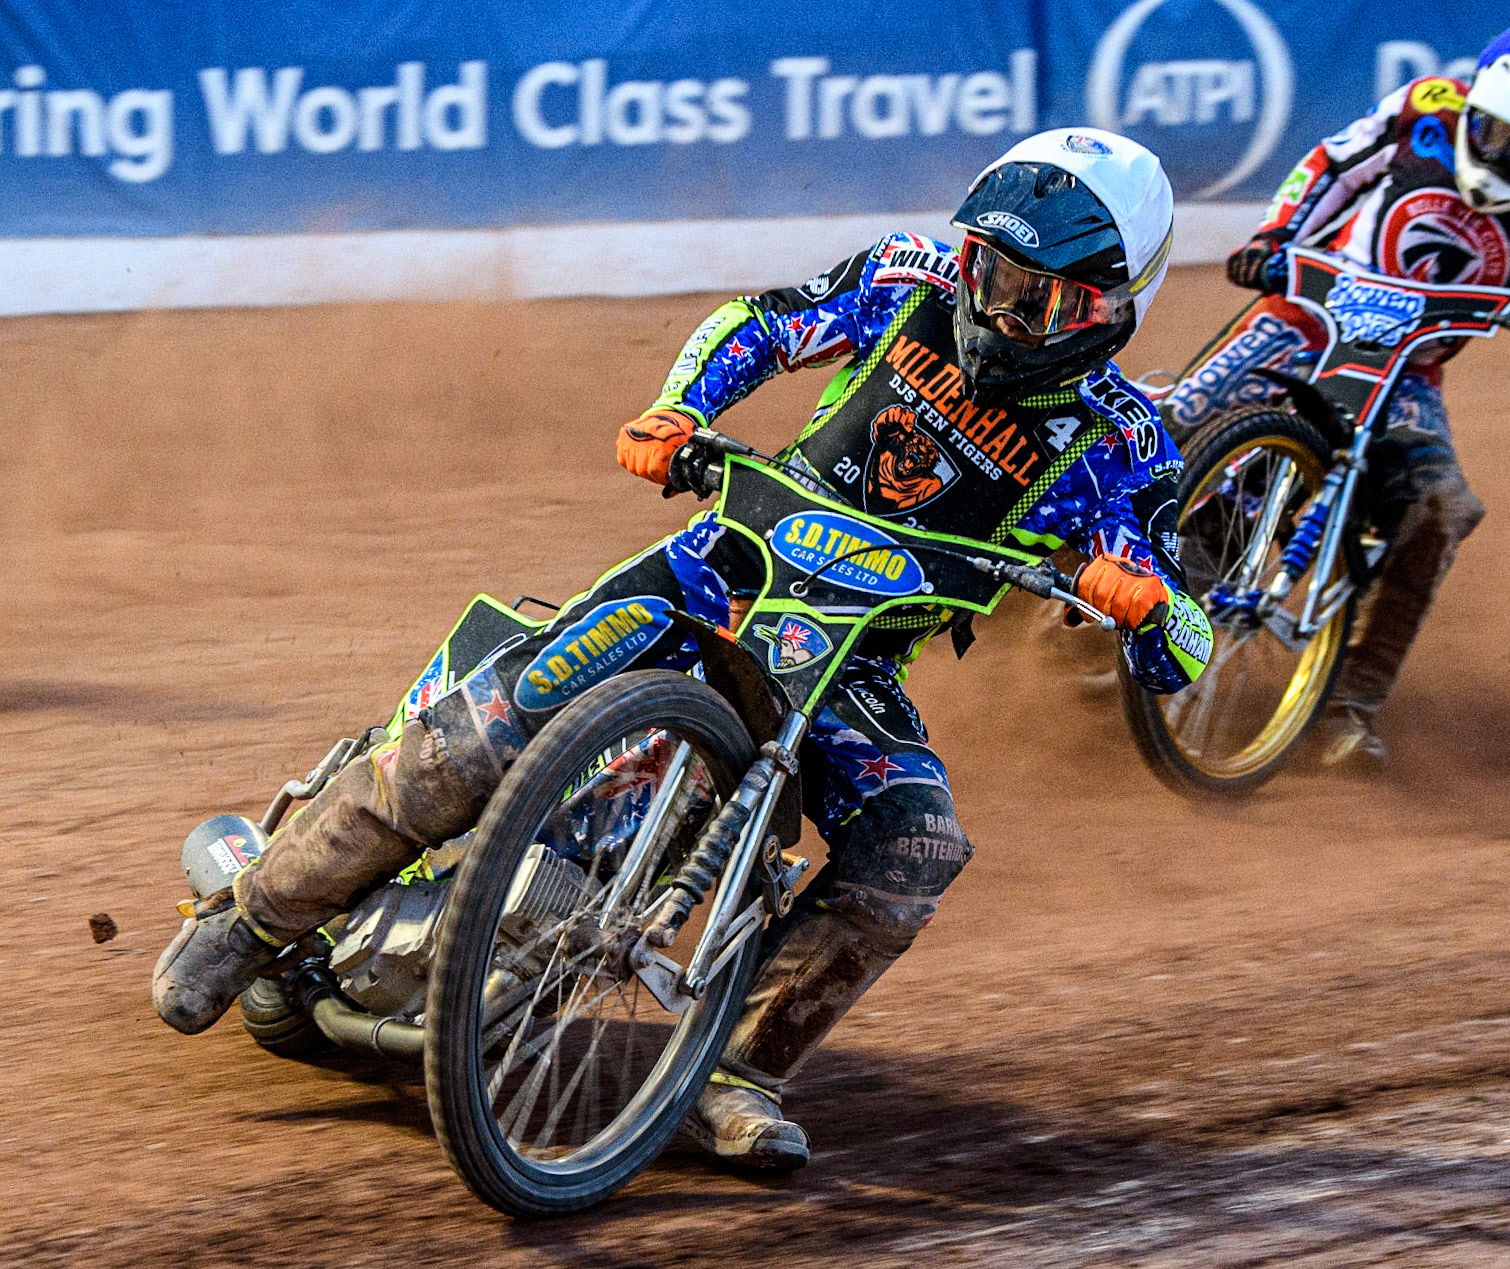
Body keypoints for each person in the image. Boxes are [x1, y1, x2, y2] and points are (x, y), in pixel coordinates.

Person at [152, 128, 1212, 1171]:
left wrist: (1150, 606)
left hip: (846, 664)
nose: (998, 306)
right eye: (991, 269)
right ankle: (253, 919)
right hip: (719, 567)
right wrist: (680, 408)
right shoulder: (909, 277)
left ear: (1116, 307)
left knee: (917, 842)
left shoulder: (1125, 445)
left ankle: (738, 1074)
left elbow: (1184, 640)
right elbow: (760, 323)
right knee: (492, 720)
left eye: (1039, 296)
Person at [1163, 8, 1510, 775]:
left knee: (1438, 510)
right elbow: (1331, 164)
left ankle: (1348, 704)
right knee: (1163, 427)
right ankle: (1046, 543)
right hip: (1302, 313)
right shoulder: (1426, 107)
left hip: (1407, 374)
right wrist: (1275, 236)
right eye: (1491, 132)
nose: (1500, 154)